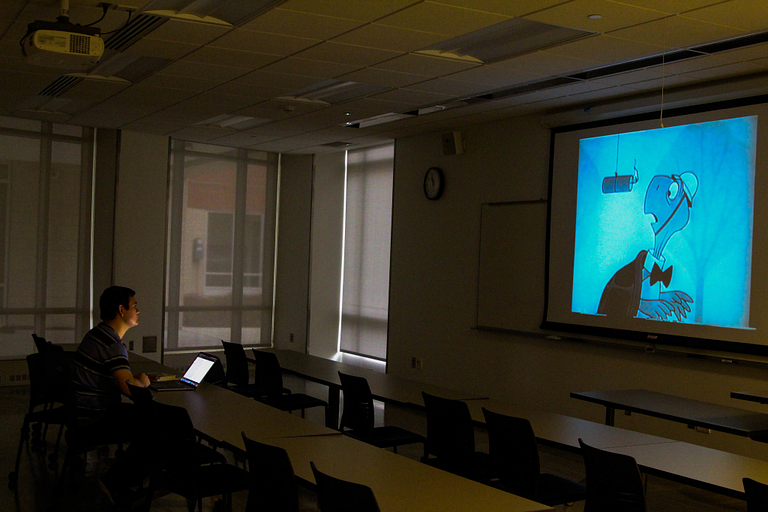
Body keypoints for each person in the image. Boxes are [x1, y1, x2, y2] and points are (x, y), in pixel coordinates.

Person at [69, 286, 186, 509]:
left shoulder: (95, 335)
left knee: (154, 420)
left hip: (83, 414)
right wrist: (142, 381)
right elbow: (129, 389)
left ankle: (129, 479)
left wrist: (135, 379)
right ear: (121, 310)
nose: (138, 310)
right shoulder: (113, 345)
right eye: (135, 306)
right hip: (96, 418)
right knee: (158, 426)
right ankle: (118, 482)